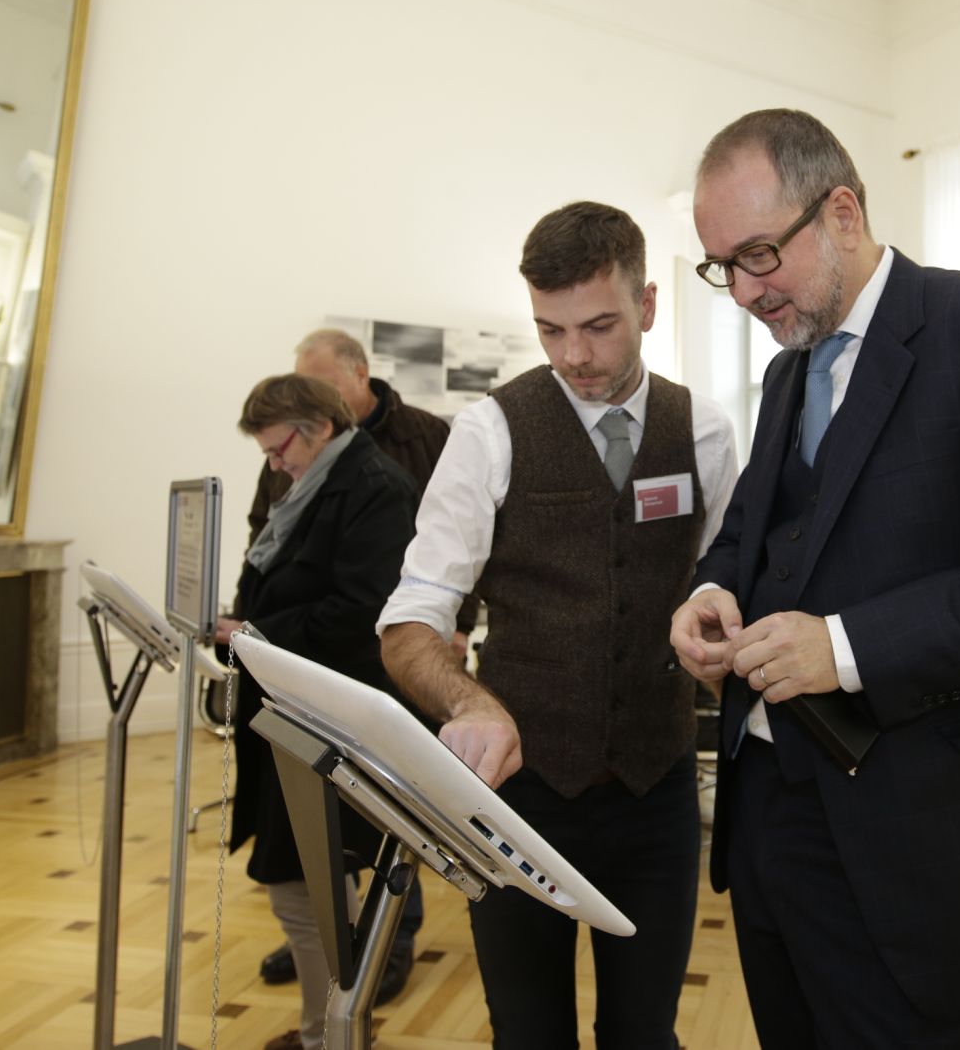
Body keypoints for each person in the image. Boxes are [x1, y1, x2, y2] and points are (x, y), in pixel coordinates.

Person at [668, 108, 960, 1048]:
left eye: (761, 255)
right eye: (724, 268)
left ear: (841, 211)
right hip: (773, 827)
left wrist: (845, 647)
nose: (746, 293)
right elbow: (760, 529)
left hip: (921, 844)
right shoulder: (792, 372)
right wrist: (712, 589)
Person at [378, 201, 738, 1048]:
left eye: (600, 325)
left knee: (644, 1033)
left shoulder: (708, 432)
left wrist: (723, 639)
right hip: (521, 798)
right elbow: (410, 622)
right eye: (550, 330)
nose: (574, 355)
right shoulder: (489, 432)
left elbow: (730, 587)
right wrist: (468, 702)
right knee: (529, 1033)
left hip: (657, 792)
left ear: (647, 305)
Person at [244, 328, 469, 999]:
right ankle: (324, 943)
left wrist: (449, 627)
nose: (275, 463)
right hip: (307, 684)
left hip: (372, 675)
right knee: (317, 837)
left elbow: (450, 546)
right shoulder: (298, 467)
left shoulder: (413, 448)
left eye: (326, 383)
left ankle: (380, 947)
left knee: (379, 828)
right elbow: (266, 541)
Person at [213, 374, 420, 1050]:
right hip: (294, 707)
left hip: (330, 714)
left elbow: (360, 610)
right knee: (307, 890)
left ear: (319, 427)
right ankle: (326, 1030)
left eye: (278, 450)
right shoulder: (319, 479)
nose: (273, 466)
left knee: (307, 890)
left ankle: (329, 1034)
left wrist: (253, 632)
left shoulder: (375, 487)